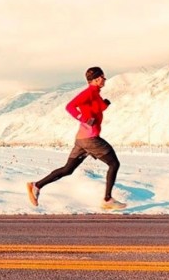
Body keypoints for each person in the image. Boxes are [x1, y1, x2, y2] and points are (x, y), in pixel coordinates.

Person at [27, 67, 127, 210]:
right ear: (97, 79)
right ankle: (107, 199)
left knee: (68, 170)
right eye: (103, 77)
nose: (105, 80)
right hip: (90, 138)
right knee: (114, 164)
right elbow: (70, 106)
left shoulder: (95, 94)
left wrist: (105, 104)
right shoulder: (89, 92)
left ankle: (36, 185)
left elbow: (95, 108)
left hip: (82, 139)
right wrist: (83, 118)